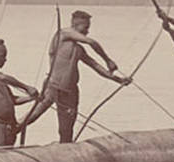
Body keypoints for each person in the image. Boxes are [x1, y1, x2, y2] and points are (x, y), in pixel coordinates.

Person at [18, 10, 130, 143]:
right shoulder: (63, 34)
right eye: (86, 27)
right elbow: (91, 42)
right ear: (76, 24)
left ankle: (65, 147)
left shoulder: (78, 49)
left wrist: (118, 79)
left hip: (70, 91)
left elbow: (95, 66)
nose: (87, 31)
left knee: (66, 128)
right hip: (53, 86)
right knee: (34, 115)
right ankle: (11, 131)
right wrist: (108, 60)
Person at [0, 39, 39, 147]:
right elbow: (4, 78)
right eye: (2, 56)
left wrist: (31, 98)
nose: (5, 59)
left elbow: (13, 100)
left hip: (9, 126)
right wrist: (26, 87)